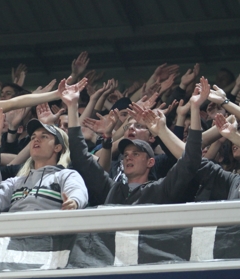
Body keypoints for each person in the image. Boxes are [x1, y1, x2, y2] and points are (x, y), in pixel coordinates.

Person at [0, 79, 90, 214]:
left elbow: (77, 190)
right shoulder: (17, 181)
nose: (36, 140)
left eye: (44, 137)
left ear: (58, 148)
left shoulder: (66, 175)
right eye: (33, 137)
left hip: (46, 236)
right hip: (14, 236)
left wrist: (74, 201)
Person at [67, 78, 207, 206]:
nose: (128, 157)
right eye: (126, 154)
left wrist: (194, 108)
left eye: (136, 153)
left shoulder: (161, 189)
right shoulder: (111, 189)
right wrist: (72, 106)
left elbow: (190, 160)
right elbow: (80, 158)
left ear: (150, 162)